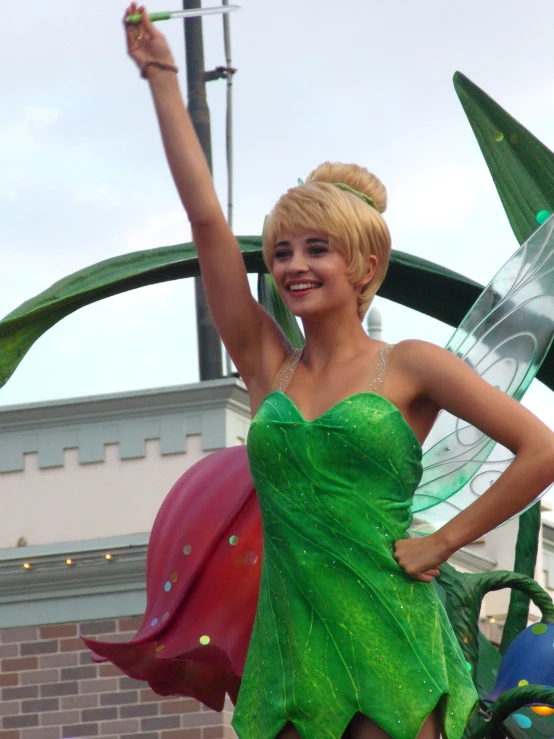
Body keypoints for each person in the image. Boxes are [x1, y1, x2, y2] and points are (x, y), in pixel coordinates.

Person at [121, 5, 554, 737]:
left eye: (315, 248)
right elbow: (205, 224)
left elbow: (541, 447)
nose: (293, 264)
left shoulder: (412, 364)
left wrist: (443, 542)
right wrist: (163, 79)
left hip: (392, 640)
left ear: (364, 265)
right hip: (290, 652)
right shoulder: (266, 366)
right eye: (283, 249)